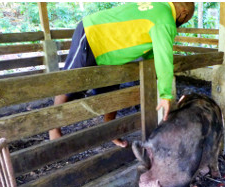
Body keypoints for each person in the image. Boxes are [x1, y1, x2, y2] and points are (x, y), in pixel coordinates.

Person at [48, 2, 196, 147]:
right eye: (186, 20)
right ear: (183, 13)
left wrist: (155, 76)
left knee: (111, 89)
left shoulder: (159, 8)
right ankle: (53, 128)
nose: (182, 24)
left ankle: (110, 132)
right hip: (92, 33)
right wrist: (165, 95)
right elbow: (164, 58)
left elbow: (153, 53)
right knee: (71, 80)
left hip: (111, 48)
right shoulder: (166, 20)